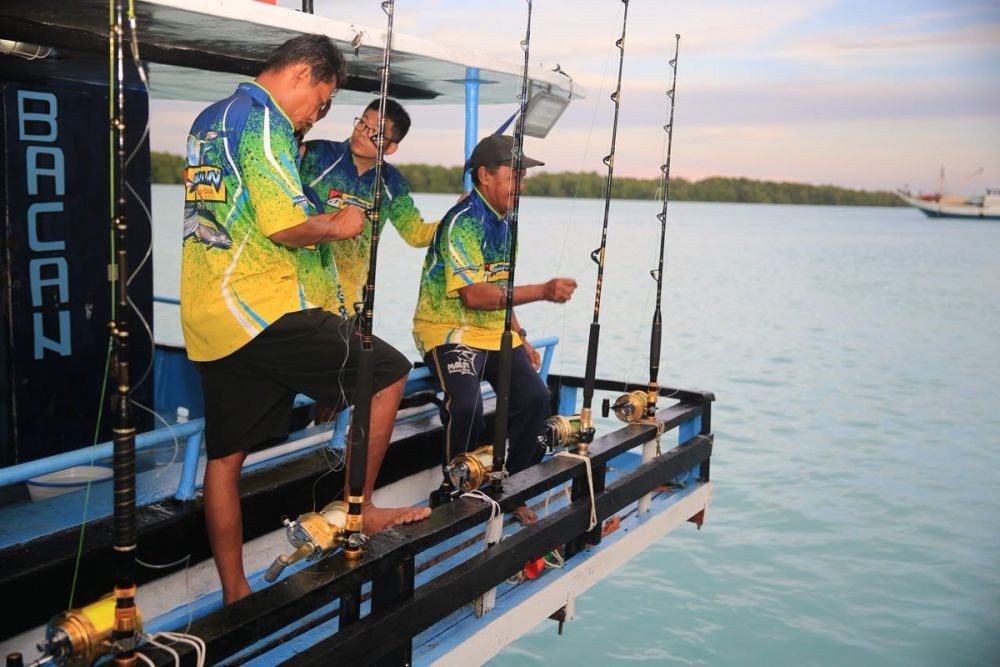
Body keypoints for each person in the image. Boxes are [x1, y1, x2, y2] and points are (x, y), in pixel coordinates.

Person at [180, 34, 430, 605]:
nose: (316, 116)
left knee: (224, 461)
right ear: (301, 74)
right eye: (321, 102)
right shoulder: (264, 122)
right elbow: (284, 226)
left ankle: (236, 591)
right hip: (260, 307)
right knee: (389, 372)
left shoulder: (209, 118)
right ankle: (356, 510)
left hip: (208, 315)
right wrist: (340, 225)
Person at [411, 134, 578, 524]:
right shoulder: (461, 223)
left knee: (536, 397)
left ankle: (512, 486)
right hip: (447, 329)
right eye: (513, 176)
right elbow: (475, 295)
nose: (520, 186)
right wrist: (543, 291)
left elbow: (502, 285)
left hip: (493, 331)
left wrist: (519, 335)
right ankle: (456, 488)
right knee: (466, 404)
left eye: (523, 177)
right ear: (484, 176)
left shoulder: (508, 223)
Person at [300, 98, 438, 315]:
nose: (363, 133)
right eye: (362, 123)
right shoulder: (315, 155)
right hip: (297, 285)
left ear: (391, 147)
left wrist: (456, 216)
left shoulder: (391, 183)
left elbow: (417, 234)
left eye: (375, 132)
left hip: (347, 299)